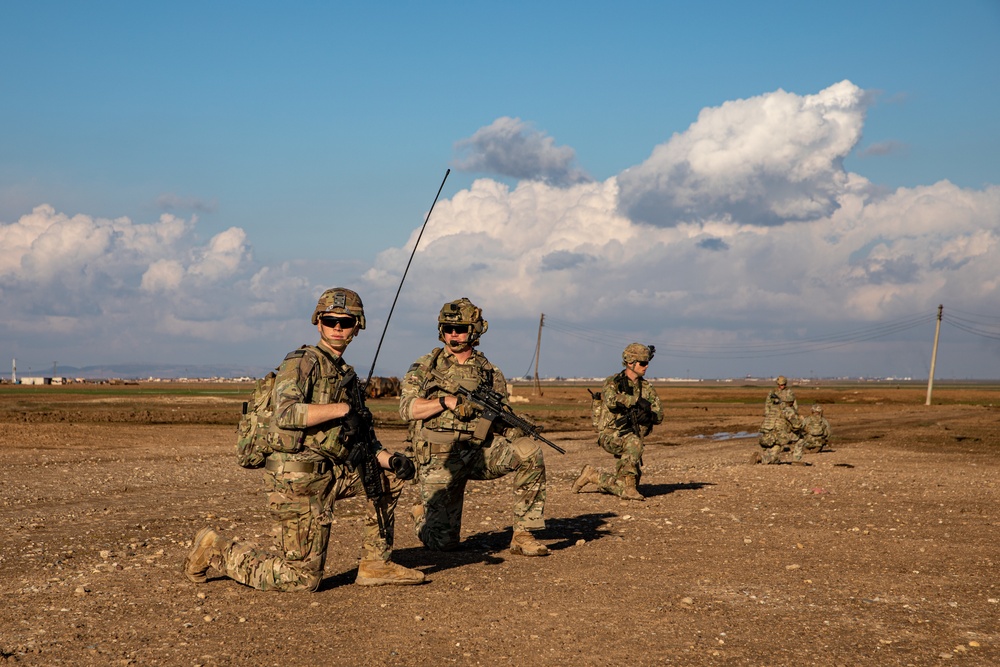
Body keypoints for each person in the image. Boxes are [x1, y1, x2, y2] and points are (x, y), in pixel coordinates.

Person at [184, 288, 425, 591]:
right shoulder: (302, 362)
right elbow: (286, 413)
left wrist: (390, 460)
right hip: (296, 480)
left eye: (346, 322)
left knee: (387, 475)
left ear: (357, 327)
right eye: (331, 320)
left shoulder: (345, 375)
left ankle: (375, 564)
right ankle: (215, 549)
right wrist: (343, 408)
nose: (338, 327)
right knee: (301, 580)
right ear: (318, 322)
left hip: (330, 472)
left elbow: (365, 441)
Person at [399, 297, 549, 557]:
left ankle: (524, 533)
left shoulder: (489, 372)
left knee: (529, 452)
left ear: (475, 331)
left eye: (460, 329)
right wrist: (446, 402)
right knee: (444, 544)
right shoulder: (425, 366)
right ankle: (420, 514)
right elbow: (407, 409)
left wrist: (515, 427)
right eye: (448, 329)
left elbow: (498, 417)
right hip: (439, 457)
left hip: (479, 452)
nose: (453, 334)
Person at [572, 343, 663, 501]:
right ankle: (627, 489)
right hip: (610, 435)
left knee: (627, 481)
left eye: (647, 362)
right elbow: (611, 400)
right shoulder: (613, 382)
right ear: (630, 362)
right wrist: (635, 401)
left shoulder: (647, 388)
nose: (646, 366)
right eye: (642, 363)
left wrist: (649, 416)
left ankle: (593, 476)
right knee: (634, 445)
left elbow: (659, 414)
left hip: (631, 436)